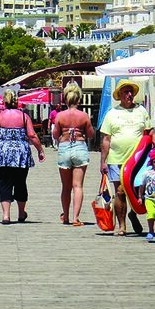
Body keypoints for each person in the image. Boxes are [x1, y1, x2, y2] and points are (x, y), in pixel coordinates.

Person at [99, 80, 155, 236]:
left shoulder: (141, 111)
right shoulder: (112, 113)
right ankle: (122, 225)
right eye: (126, 92)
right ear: (119, 95)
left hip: (138, 160)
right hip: (117, 158)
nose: (129, 94)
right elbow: (106, 139)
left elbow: (150, 130)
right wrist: (103, 161)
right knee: (120, 192)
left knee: (139, 189)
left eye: (131, 92)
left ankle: (133, 213)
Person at [0, 89, 46, 224]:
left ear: (4, 102)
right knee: (20, 183)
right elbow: (32, 135)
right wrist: (40, 150)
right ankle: (21, 214)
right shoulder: (24, 117)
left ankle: (6, 215)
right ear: (16, 101)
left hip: (3, 155)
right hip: (21, 156)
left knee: (4, 184)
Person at [51, 82, 95, 226]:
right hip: (80, 147)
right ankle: (76, 218)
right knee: (78, 186)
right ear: (78, 99)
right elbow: (90, 134)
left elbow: (55, 134)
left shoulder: (59, 116)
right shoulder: (84, 116)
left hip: (64, 147)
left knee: (66, 186)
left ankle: (66, 216)